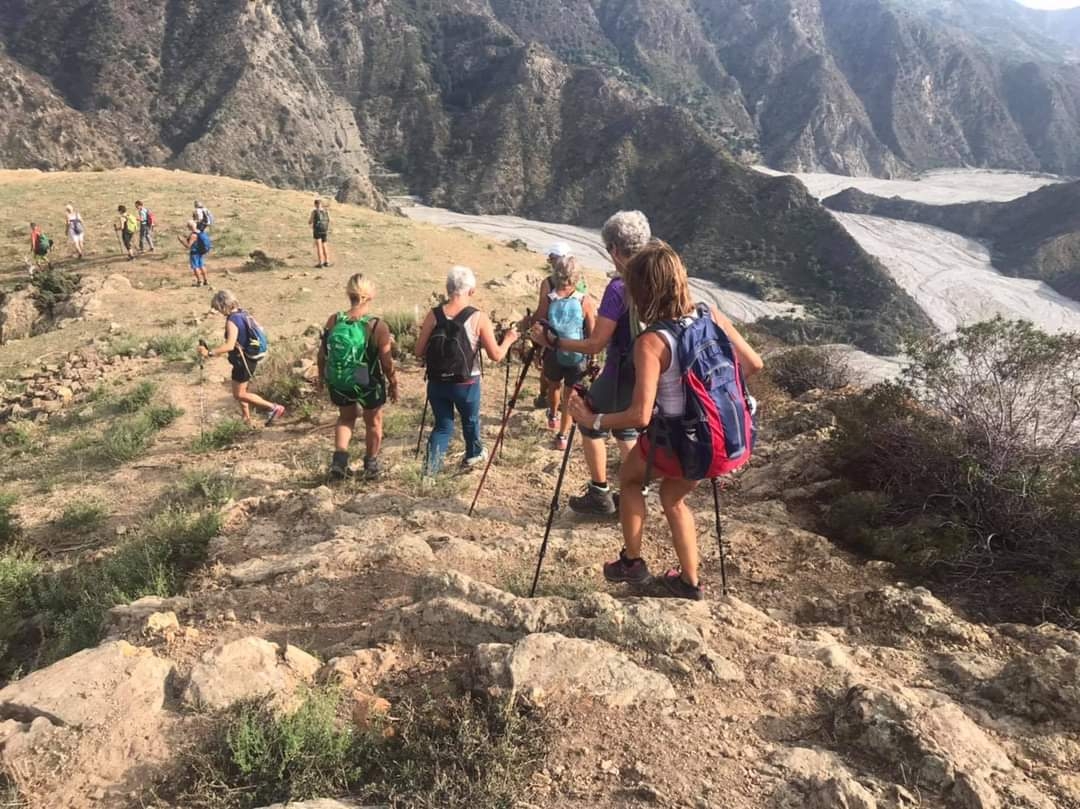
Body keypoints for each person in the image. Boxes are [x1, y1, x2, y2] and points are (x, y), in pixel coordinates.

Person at [567, 241, 763, 600]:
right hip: (721, 439)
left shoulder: (652, 341)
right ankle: (689, 583)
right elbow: (753, 364)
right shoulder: (710, 314)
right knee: (672, 497)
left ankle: (632, 562)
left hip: (679, 440)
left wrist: (592, 420)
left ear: (642, 292)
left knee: (630, 480)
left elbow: (639, 415)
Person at [531, 210, 652, 516]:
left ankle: (601, 493)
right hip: (647, 371)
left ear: (614, 249)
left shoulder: (618, 288)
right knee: (627, 430)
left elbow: (596, 342)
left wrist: (554, 342)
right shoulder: (654, 277)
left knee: (589, 421)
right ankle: (638, 491)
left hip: (620, 369)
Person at [414, 265, 519, 475]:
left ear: (448, 288)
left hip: (437, 381)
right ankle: (473, 454)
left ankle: (429, 473)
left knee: (442, 426)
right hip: (466, 382)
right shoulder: (478, 317)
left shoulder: (433, 315)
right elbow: (496, 355)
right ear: (471, 291)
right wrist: (508, 339)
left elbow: (418, 351)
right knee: (470, 420)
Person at [317, 274, 399, 480]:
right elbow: (386, 362)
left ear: (349, 293)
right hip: (366, 381)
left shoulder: (334, 320)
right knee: (373, 422)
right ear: (370, 295)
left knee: (346, 417)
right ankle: (371, 465)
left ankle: (340, 461)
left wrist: (322, 377)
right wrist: (393, 382)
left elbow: (322, 353)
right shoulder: (376, 325)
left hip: (340, 378)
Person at [197, 290, 285, 427]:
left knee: (239, 394)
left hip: (243, 361)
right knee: (241, 391)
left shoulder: (232, 320)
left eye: (218, 308)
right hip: (248, 358)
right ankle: (246, 419)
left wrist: (209, 353)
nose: (219, 312)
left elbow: (230, 345)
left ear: (223, 305)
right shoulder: (244, 314)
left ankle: (274, 408)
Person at [542, 256, 597, 450]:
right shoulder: (584, 300)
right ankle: (562, 437)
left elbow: (540, 321)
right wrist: (593, 357)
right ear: (577, 277)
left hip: (553, 351)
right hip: (577, 353)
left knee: (553, 385)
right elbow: (592, 331)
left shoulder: (550, 298)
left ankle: (553, 415)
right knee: (570, 396)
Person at [180, 220, 210, 287]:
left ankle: (199, 282)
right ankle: (206, 280)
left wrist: (181, 241)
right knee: (202, 266)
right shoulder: (200, 232)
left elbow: (188, 246)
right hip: (200, 252)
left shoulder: (193, 235)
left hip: (194, 253)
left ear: (189, 227)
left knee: (195, 267)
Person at [309, 199, 330, 268]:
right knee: (324, 245)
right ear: (321, 204)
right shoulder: (326, 211)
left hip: (317, 231)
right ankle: (327, 261)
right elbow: (329, 220)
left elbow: (310, 221)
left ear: (315, 204)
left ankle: (320, 263)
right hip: (324, 230)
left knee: (319, 246)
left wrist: (311, 223)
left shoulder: (314, 212)